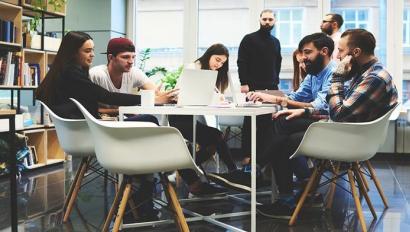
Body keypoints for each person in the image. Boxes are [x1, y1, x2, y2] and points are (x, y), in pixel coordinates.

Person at [256, 29, 398, 219]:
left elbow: (338, 113)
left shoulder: (374, 78)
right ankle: (283, 190)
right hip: (346, 131)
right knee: (285, 129)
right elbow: (335, 109)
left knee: (284, 134)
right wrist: (306, 111)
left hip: (351, 139)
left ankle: (261, 176)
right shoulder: (363, 73)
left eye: (340, 51)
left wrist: (338, 78)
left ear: (355, 53)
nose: (337, 56)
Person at [246, 33, 336, 173]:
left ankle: (254, 168)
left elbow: (320, 106)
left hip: (331, 123)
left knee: (282, 122)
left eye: (307, 52)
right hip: (317, 118)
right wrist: (267, 96)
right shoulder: (314, 73)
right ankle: (286, 185)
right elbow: (296, 97)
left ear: (324, 51)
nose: (304, 58)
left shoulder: (334, 72)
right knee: (282, 135)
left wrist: (278, 100)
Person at [169, 44, 251, 195]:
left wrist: (217, 98)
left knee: (212, 143)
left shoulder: (208, 74)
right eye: (217, 60)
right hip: (180, 118)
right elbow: (181, 94)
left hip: (192, 118)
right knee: (215, 136)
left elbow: (211, 95)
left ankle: (190, 176)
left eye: (222, 63)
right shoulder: (193, 68)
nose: (218, 65)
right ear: (209, 55)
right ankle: (233, 172)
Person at [89, 37, 175, 122]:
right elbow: (86, 108)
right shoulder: (97, 74)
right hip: (101, 123)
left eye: (133, 57)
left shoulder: (133, 72)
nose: (131, 61)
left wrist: (171, 95)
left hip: (121, 119)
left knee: (153, 120)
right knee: (149, 119)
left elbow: (156, 92)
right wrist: (122, 111)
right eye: (125, 57)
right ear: (111, 58)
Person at [237, 9, 282, 171]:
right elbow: (242, 61)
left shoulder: (276, 42)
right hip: (252, 87)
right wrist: (244, 83)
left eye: (270, 19)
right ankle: (247, 156)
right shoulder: (249, 39)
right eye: (265, 19)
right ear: (260, 20)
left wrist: (276, 83)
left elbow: (277, 63)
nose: (267, 22)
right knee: (250, 122)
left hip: (271, 88)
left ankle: (262, 158)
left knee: (266, 124)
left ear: (274, 21)